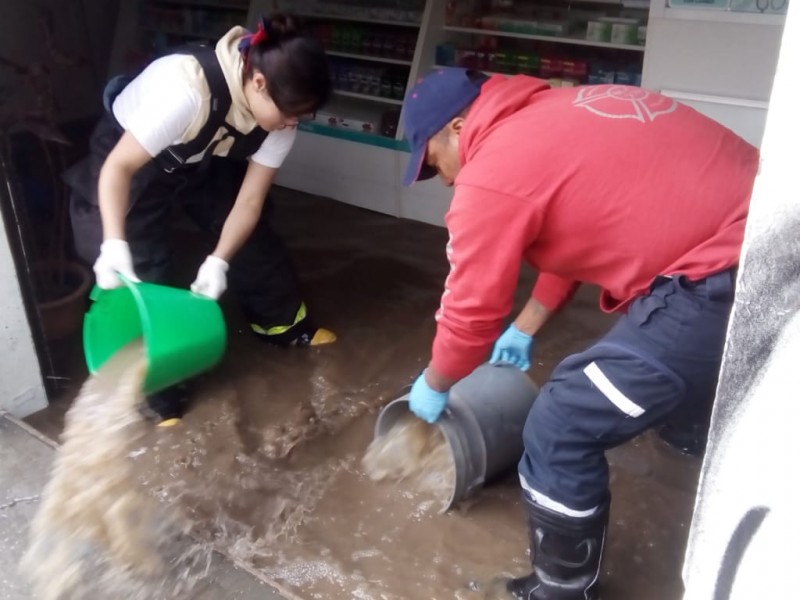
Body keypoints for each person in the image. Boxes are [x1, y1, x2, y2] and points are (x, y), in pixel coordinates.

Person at [401, 68, 758, 599]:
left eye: (434, 162)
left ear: (457, 127)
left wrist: (435, 382)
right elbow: (574, 229)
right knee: (678, 404)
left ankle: (562, 590)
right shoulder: (557, 113)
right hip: (770, 236)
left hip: (719, 275)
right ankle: (696, 459)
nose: (447, 179)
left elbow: (469, 316)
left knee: (562, 422)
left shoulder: (490, 172)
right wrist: (526, 327)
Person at [64, 15, 337, 426]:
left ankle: (282, 325)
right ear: (258, 82)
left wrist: (219, 260)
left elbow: (249, 201)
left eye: (303, 116)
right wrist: (114, 245)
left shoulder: (280, 118)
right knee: (144, 270)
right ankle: (157, 393)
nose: (293, 123)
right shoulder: (186, 91)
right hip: (135, 158)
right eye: (289, 113)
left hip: (201, 153)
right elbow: (118, 168)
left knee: (253, 240)